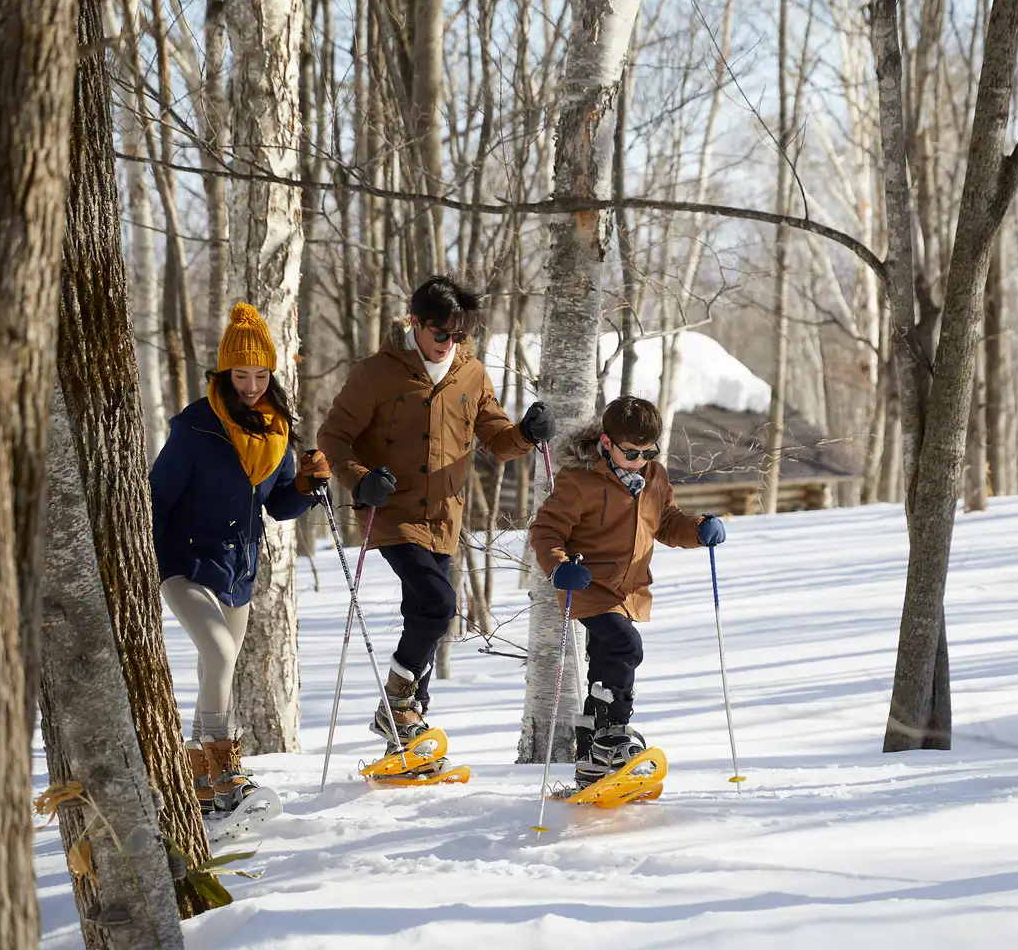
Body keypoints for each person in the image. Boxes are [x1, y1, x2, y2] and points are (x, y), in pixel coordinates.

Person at [319, 276, 555, 754]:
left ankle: (408, 730)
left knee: (420, 615)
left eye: (461, 334)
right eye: (442, 333)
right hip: (393, 513)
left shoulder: (472, 375)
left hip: (445, 518)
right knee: (438, 605)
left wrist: (527, 433)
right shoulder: (377, 373)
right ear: (415, 323)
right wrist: (359, 477)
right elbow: (333, 437)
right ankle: (396, 706)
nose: (451, 343)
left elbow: (498, 440)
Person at [150, 302, 331, 817]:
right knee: (222, 654)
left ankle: (194, 775)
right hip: (184, 562)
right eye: (240, 374)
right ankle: (224, 767)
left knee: (218, 666)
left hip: (238, 569)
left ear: (271, 374)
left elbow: (278, 506)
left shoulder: (276, 431)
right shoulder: (196, 428)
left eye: (259, 374)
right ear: (224, 373)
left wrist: (307, 485)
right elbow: (157, 497)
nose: (250, 385)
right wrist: (145, 563)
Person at [528, 395, 726, 788]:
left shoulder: (654, 478)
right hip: (586, 584)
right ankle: (612, 733)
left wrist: (699, 528)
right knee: (625, 647)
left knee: (606, 663)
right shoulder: (579, 481)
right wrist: (558, 566)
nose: (640, 460)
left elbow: (666, 523)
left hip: (629, 589)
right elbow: (545, 530)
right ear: (606, 443)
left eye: (648, 451)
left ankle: (591, 752)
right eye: (631, 452)